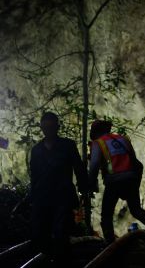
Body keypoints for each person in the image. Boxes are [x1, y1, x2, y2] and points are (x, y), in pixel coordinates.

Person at [88, 120, 145, 243]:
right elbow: (135, 162)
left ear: (95, 132)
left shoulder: (98, 143)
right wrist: (135, 183)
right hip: (131, 179)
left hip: (114, 181)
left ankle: (109, 243)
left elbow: (95, 164)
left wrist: (90, 183)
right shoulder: (123, 140)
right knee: (136, 209)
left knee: (106, 215)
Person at [29, 112, 88, 265]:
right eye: (45, 127)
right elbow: (34, 176)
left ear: (57, 127)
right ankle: (50, 260)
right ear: (41, 127)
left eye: (51, 126)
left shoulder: (67, 145)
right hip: (43, 197)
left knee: (62, 232)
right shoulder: (36, 150)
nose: (48, 130)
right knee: (43, 233)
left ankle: (64, 262)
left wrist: (83, 190)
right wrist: (33, 198)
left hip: (63, 195)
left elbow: (78, 168)